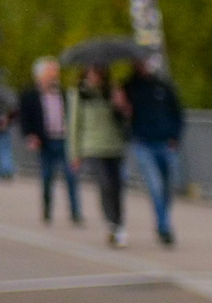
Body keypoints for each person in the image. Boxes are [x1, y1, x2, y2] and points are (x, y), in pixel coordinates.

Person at [123, 56, 185, 246]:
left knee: (169, 186)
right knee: (155, 186)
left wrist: (175, 136)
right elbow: (121, 116)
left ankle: (162, 219)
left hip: (166, 142)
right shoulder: (128, 88)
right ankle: (164, 226)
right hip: (143, 143)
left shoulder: (163, 86)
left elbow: (177, 112)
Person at [70, 63, 130, 246]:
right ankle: (112, 222)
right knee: (105, 184)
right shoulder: (80, 93)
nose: (96, 75)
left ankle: (119, 223)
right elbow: (75, 125)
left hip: (114, 145)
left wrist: (121, 105)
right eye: (92, 71)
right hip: (92, 146)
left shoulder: (111, 91)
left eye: (99, 71)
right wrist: (75, 154)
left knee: (118, 186)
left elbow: (125, 118)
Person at [19, 59, 79, 225]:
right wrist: (30, 136)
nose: (54, 76)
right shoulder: (30, 96)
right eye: (50, 73)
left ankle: (75, 212)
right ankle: (47, 210)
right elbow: (25, 119)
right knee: (47, 177)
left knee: (71, 177)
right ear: (40, 76)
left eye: (55, 73)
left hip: (65, 140)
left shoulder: (65, 94)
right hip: (46, 142)